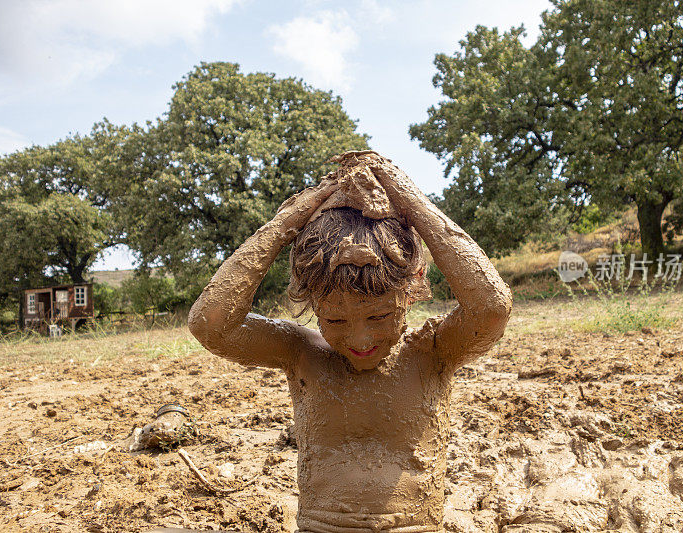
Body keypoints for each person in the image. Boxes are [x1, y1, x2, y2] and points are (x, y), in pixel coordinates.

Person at [188, 151, 512, 532]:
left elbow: (491, 307)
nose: (360, 339)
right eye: (335, 320)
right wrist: (293, 215)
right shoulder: (301, 353)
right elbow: (211, 323)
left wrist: (406, 197)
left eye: (379, 316)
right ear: (311, 303)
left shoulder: (433, 352)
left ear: (412, 287)